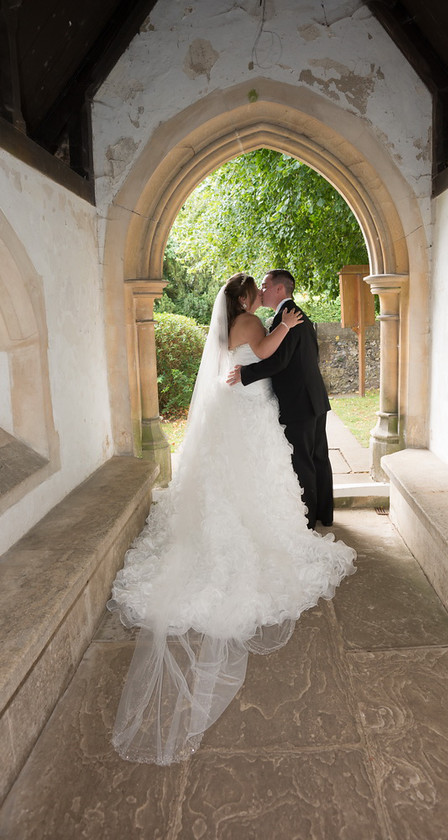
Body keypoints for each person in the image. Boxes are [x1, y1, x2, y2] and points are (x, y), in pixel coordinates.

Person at [107, 273, 356, 765]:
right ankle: (269, 532)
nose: (260, 297)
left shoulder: (231, 324)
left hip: (244, 409)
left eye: (267, 291)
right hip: (250, 415)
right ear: (244, 298)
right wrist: (282, 325)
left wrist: (280, 327)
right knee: (258, 478)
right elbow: (266, 355)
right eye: (255, 292)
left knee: (248, 479)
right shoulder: (250, 322)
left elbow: (262, 360)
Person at [227, 269, 333, 529]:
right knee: (317, 457)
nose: (261, 291)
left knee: (304, 460)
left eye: (265, 286)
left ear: (279, 290)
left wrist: (246, 374)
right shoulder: (292, 316)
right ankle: (324, 514)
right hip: (312, 398)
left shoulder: (290, 317)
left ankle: (308, 521)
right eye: (258, 288)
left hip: (300, 402)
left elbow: (279, 360)